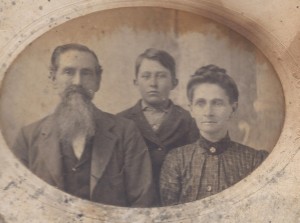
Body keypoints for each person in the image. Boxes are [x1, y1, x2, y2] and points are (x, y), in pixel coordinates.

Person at [12, 43, 156, 207]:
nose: (78, 82)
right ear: (53, 78)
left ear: (97, 81)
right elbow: (16, 200)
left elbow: (143, 202)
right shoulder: (28, 137)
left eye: (86, 73)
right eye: (68, 72)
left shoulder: (125, 132)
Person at [160, 64, 269, 206]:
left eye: (217, 103)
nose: (208, 112)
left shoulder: (255, 161)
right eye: (200, 103)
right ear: (191, 109)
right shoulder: (176, 161)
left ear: (233, 108)